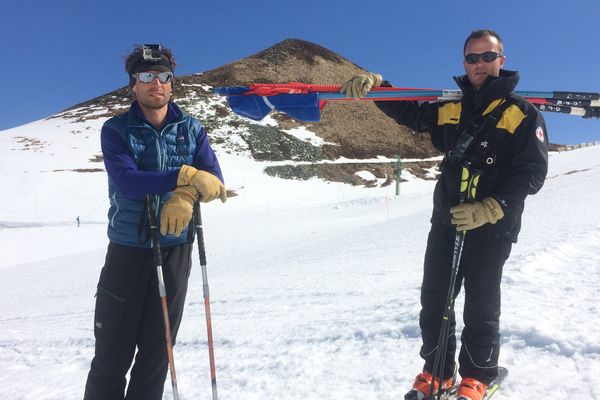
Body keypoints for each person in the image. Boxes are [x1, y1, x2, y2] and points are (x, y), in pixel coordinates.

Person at [341, 30, 548, 400]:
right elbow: (409, 111)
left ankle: (478, 375)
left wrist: (492, 208)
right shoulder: (451, 107)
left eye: (487, 57)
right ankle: (436, 371)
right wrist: (378, 86)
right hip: (448, 220)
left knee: (481, 301)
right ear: (464, 62)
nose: (479, 64)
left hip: (491, 225)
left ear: (502, 59)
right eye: (472, 58)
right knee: (436, 299)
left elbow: (532, 172)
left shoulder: (522, 113)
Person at [84, 44, 227, 400]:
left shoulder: (191, 129)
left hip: (176, 250)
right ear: (133, 85)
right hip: (128, 253)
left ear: (171, 83)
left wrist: (186, 194)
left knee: (158, 356)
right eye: (146, 76)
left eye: (163, 76)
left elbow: (213, 179)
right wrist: (184, 175)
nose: (156, 83)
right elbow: (127, 181)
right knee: (112, 357)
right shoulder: (116, 130)